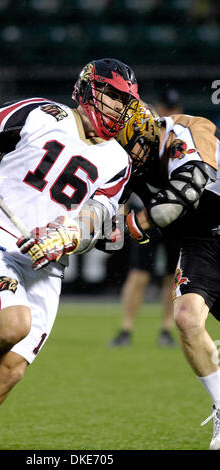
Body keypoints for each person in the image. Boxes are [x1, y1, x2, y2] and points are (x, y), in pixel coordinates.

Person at [0, 58, 142, 450]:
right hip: (2, 239)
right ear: (88, 89)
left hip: (48, 264)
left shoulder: (118, 161)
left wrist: (66, 237)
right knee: (12, 326)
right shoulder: (41, 113)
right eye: (109, 96)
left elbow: (98, 216)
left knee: (10, 371)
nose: (114, 108)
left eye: (122, 102)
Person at [113, 101, 220, 450]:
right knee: (187, 318)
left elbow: (189, 189)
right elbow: (100, 217)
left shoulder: (184, 131)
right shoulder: (125, 162)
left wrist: (136, 223)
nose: (133, 159)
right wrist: (67, 236)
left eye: (134, 147)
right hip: (201, 241)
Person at [110, 90, 183, 348]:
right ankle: (126, 329)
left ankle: (166, 329)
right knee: (139, 274)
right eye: (167, 106)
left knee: (171, 277)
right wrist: (119, 217)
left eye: (173, 108)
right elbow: (124, 184)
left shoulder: (177, 140)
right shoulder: (139, 139)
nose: (170, 112)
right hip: (145, 218)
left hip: (174, 219)